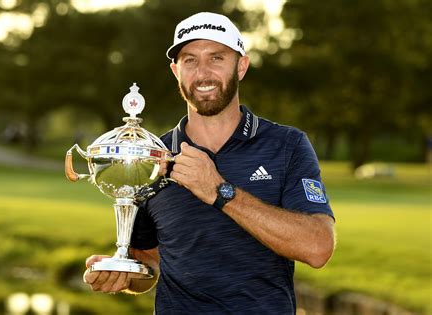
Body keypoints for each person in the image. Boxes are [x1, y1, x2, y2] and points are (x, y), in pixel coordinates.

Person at [84, 12, 336, 314]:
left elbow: (318, 247)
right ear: (176, 70)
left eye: (216, 58)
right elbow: (149, 259)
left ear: (241, 66)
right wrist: (125, 274)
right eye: (190, 60)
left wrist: (219, 190)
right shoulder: (152, 155)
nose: (203, 73)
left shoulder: (286, 145)